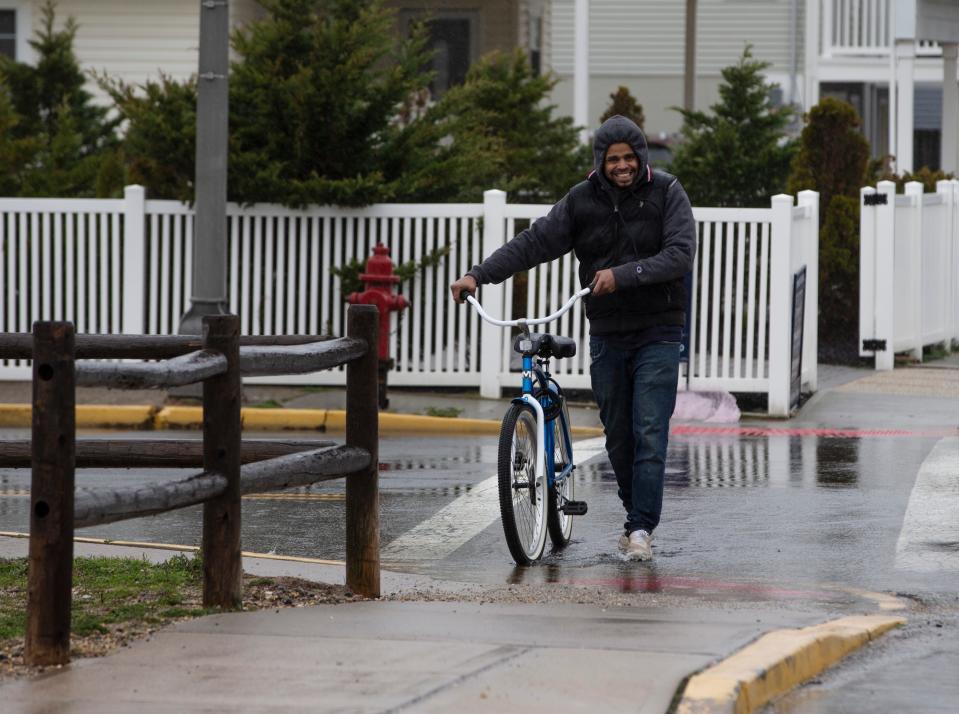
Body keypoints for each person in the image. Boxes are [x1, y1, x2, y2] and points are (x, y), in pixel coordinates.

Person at [449, 115, 696, 561]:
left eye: (628, 157)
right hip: (608, 333)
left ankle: (640, 529)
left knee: (650, 431)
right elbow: (534, 242)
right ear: (599, 162)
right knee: (619, 436)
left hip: (659, 330)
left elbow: (679, 254)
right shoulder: (581, 201)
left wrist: (622, 276)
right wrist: (477, 275)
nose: (621, 166)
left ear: (641, 158)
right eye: (612, 159)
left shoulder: (668, 192)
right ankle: (634, 514)